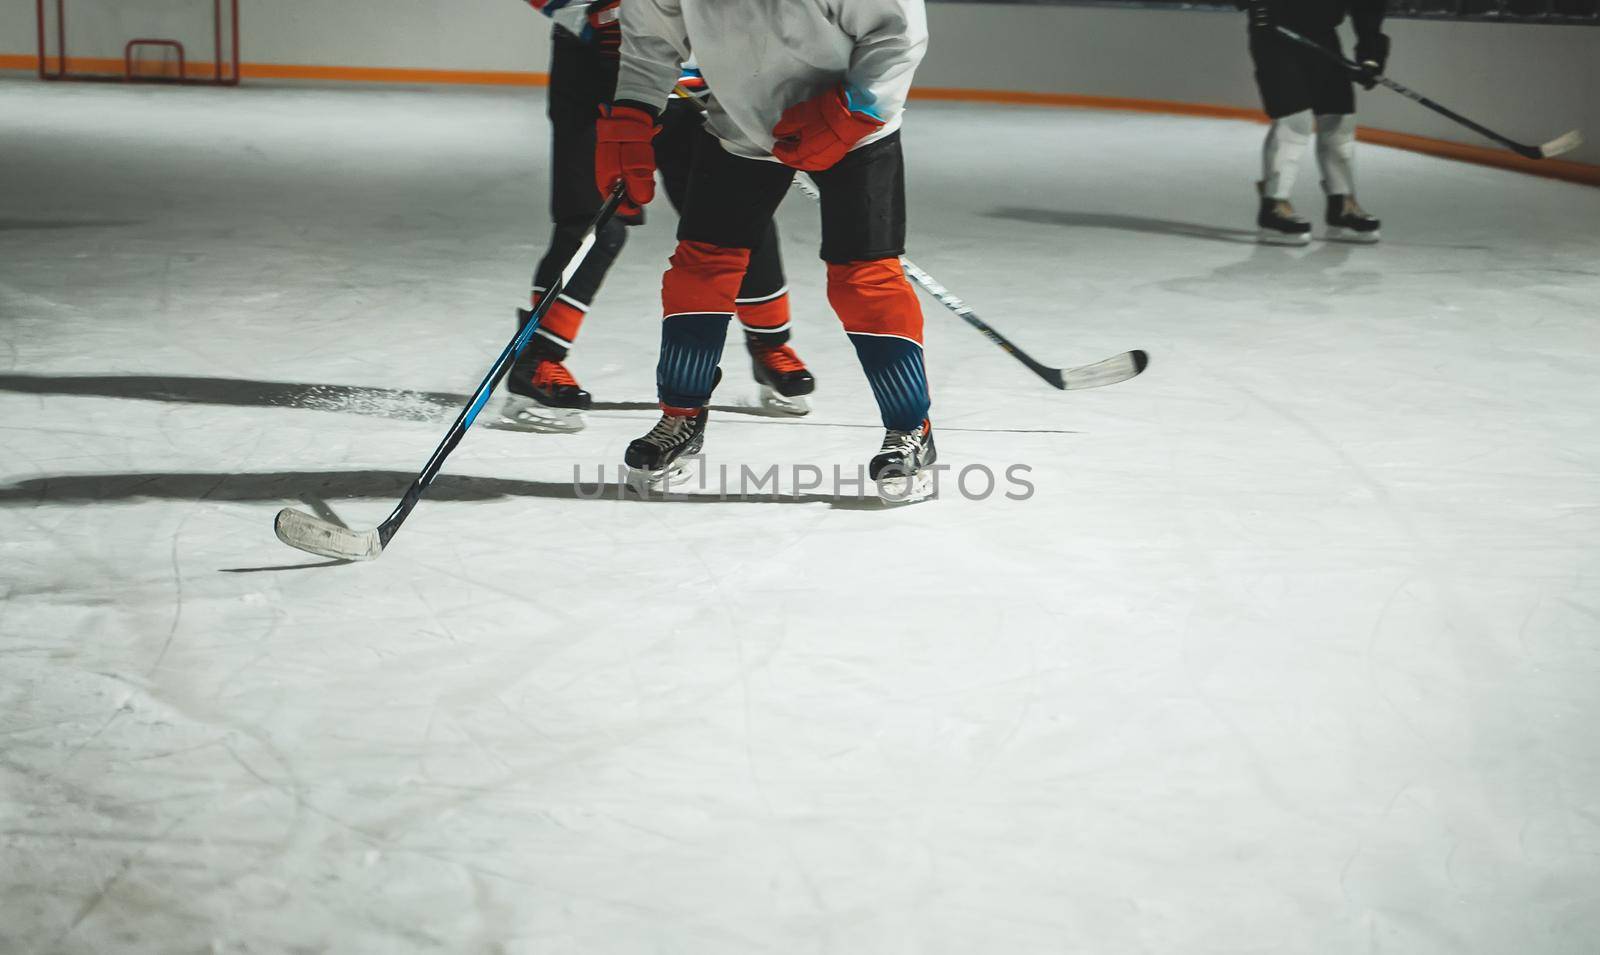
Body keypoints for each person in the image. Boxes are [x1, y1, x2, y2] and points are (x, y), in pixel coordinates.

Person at [598, 0, 938, 501]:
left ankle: (912, 431)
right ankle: (681, 418)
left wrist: (852, 109)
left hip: (853, 127)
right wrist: (630, 115)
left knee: (865, 281)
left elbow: (897, 35)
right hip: (738, 124)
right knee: (698, 273)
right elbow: (652, 39)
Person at [507, 0, 815, 432]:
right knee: (597, 223)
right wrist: (587, 10)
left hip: (689, 70)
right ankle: (537, 359)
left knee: (738, 208)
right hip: (596, 70)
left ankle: (770, 346)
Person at [1241, 0, 1388, 245]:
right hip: (1274, 34)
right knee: (1294, 118)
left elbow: (1369, 7)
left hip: (1323, 37)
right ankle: (1274, 204)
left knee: (1339, 117)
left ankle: (1342, 203)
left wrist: (1370, 58)